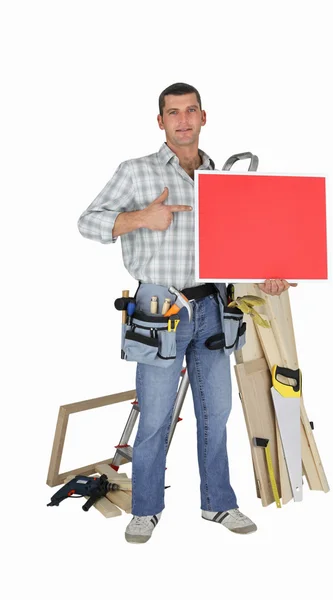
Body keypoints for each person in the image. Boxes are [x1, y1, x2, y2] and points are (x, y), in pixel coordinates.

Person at [78, 82, 291, 543]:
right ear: (161, 121)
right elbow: (88, 222)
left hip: (214, 305)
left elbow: (244, 242)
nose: (182, 120)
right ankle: (145, 509)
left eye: (190, 110)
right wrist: (139, 218)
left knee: (216, 412)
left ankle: (218, 503)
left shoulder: (221, 177)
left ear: (203, 116)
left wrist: (270, 272)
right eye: (172, 112)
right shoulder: (136, 172)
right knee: (155, 416)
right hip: (160, 307)